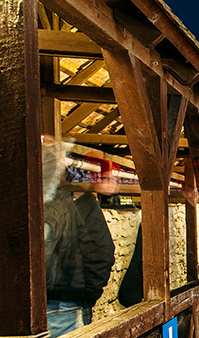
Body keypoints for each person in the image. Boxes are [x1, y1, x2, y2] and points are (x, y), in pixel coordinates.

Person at [44, 143, 115, 337]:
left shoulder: (45, 206)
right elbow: (102, 254)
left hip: (52, 304)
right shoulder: (77, 205)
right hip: (68, 305)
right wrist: (86, 295)